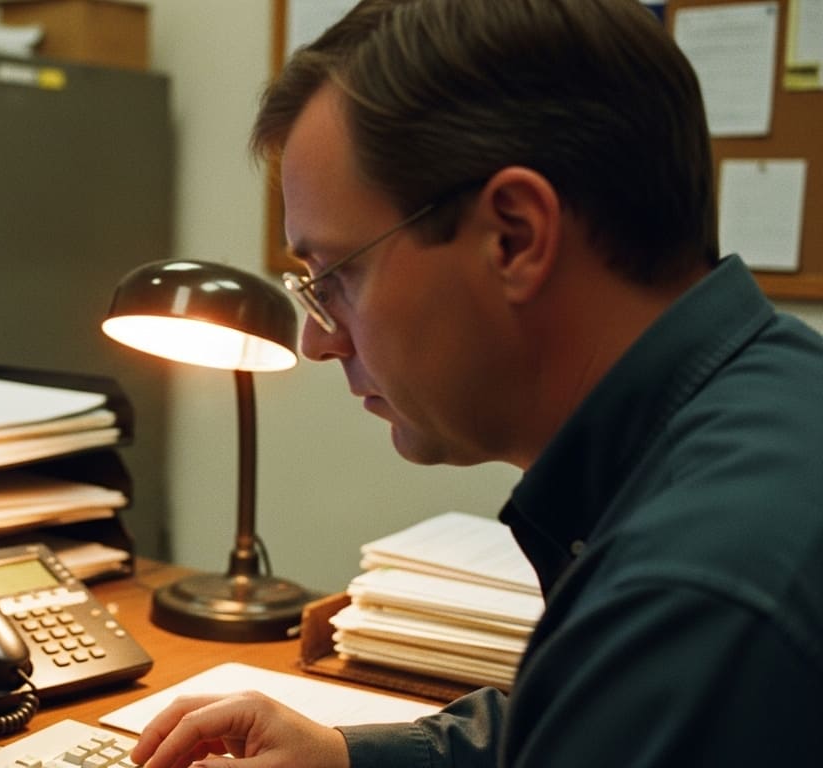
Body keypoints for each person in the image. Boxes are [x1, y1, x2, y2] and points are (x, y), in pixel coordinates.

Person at [128, 0, 823, 766]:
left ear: (514, 237)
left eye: (334, 277)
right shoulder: (772, 398)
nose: (318, 340)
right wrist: (347, 758)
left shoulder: (696, 601)